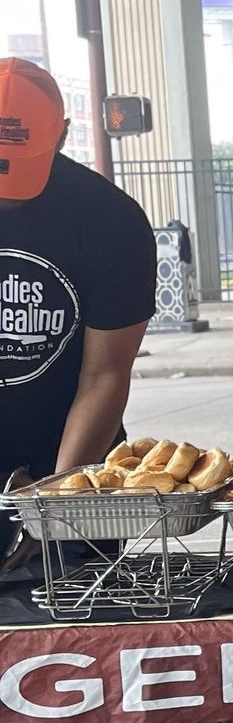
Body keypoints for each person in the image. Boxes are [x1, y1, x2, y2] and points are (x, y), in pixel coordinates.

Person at [0, 59, 155, 482]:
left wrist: (56, 502)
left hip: (69, 461)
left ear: (63, 135)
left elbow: (103, 376)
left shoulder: (111, 222)